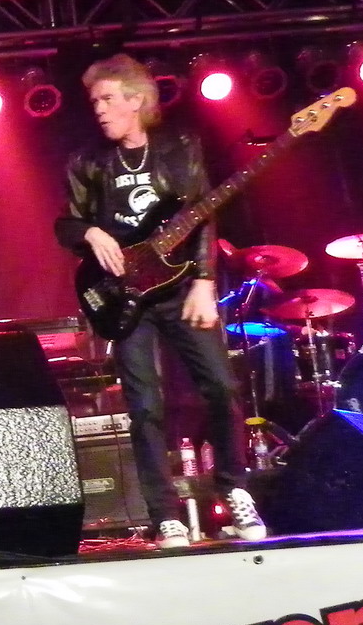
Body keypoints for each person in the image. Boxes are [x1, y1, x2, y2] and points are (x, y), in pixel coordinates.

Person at [54, 55, 265, 547]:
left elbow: (203, 213)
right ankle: (164, 515)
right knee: (146, 406)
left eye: (108, 99)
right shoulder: (88, 162)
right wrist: (89, 232)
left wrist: (205, 281)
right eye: (94, 101)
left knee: (221, 388)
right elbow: (65, 223)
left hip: (182, 287)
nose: (99, 109)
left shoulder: (179, 148)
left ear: (136, 100)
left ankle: (235, 492)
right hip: (126, 298)